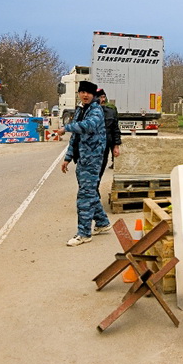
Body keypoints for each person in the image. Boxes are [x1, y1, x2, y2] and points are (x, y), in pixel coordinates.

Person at [57, 80, 112, 247]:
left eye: (89, 93)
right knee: (89, 193)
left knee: (84, 197)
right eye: (82, 92)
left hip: (93, 159)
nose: (85, 95)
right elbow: (76, 137)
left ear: (94, 95)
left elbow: (88, 127)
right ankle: (102, 223)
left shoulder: (96, 111)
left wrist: (67, 127)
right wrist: (68, 157)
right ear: (79, 94)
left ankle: (84, 233)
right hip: (82, 159)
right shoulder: (81, 110)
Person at [96, 88, 121, 196]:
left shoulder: (111, 111)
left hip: (105, 147)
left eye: (103, 97)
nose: (101, 99)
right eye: (99, 97)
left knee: (100, 170)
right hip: (91, 149)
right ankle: (93, 193)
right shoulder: (88, 112)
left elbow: (115, 130)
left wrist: (116, 146)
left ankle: (95, 190)